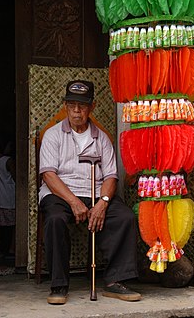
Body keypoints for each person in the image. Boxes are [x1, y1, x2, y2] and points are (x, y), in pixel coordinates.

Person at [39, 80, 141, 305]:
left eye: (82, 106)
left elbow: (111, 176)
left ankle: (115, 282)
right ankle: (59, 284)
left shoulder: (101, 138)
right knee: (55, 219)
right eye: (72, 104)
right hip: (61, 194)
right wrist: (73, 201)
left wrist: (103, 203)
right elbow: (48, 175)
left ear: (91, 107)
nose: (76, 111)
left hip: (95, 192)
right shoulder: (53, 135)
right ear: (65, 105)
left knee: (124, 217)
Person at [0, 139, 16, 262]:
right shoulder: (8, 161)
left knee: (3, 226)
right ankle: (8, 250)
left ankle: (3, 251)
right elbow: (17, 176)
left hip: (1, 197)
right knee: (10, 227)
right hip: (8, 196)